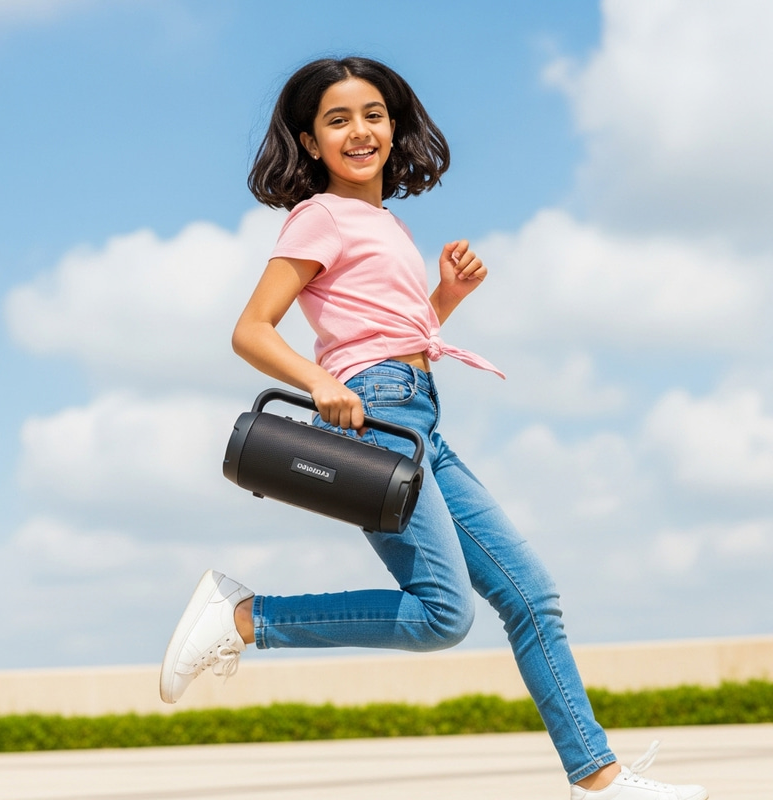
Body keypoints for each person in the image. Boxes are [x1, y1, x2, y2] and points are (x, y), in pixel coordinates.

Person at [159, 56, 708, 800]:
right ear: (311, 142)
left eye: (373, 114)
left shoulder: (383, 221)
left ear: (394, 126)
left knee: (532, 595)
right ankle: (247, 619)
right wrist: (321, 383)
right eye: (338, 120)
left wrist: (442, 299)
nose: (360, 131)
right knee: (443, 615)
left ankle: (599, 778)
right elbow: (251, 329)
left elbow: (388, 331)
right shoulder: (320, 215)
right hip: (376, 412)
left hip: (416, 414)